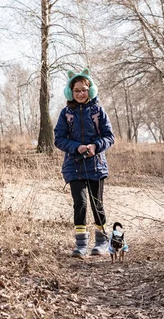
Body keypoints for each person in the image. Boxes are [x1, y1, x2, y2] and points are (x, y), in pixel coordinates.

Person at [54, 68, 115, 258]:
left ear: (91, 90)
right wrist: (76, 147)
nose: (80, 93)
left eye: (84, 90)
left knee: (97, 204)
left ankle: (102, 241)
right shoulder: (66, 114)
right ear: (70, 92)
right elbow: (59, 138)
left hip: (96, 165)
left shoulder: (98, 111)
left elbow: (109, 137)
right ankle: (80, 245)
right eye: (77, 90)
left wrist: (95, 146)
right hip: (74, 166)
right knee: (79, 203)